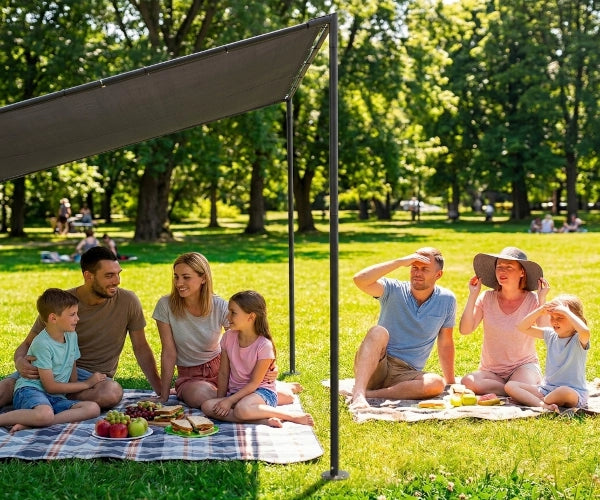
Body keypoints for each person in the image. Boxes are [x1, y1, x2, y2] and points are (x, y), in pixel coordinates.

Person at [0, 246, 161, 410]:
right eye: (109, 275)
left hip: (92, 378)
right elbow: (28, 343)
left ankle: (44, 397)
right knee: (3, 389)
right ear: (88, 276)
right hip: (50, 369)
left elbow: (141, 347)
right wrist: (19, 361)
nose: (117, 280)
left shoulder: (128, 301)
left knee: (111, 392)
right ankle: (50, 397)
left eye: (118, 273)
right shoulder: (62, 304)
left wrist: (160, 389)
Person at [153, 252, 300, 409]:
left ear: (203, 278)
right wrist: (164, 395)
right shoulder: (165, 305)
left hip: (224, 370)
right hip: (190, 377)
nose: (179, 282)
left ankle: (279, 389)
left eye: (186, 277)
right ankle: (248, 404)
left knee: (285, 397)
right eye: (176, 277)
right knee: (202, 397)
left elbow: (244, 339)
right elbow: (169, 352)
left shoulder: (219, 306)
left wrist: (270, 365)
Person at [350, 247, 457, 408]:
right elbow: (360, 279)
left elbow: (446, 342)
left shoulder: (447, 300)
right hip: (378, 363)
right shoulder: (393, 289)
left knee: (436, 383)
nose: (417, 273)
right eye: (414, 267)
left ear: (438, 275)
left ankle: (371, 395)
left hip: (407, 373)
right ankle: (358, 395)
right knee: (378, 331)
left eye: (424, 269)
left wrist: (450, 382)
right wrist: (400, 262)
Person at [201, 290, 314, 428]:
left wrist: (229, 401)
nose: (228, 316)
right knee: (207, 406)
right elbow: (223, 373)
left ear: (251, 317)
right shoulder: (227, 337)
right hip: (236, 393)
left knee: (242, 409)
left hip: (261, 393)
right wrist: (221, 400)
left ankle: (291, 416)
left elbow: (254, 384)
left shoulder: (264, 345)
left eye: (233, 312)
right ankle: (261, 421)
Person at [0, 289, 104, 433]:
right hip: (31, 391)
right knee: (45, 414)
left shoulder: (71, 335)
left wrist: (76, 385)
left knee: (93, 408)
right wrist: (87, 383)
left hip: (55, 397)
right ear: (53, 318)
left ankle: (33, 422)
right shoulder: (42, 344)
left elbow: (71, 367)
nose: (77, 319)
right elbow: (50, 387)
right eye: (72, 314)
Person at [459, 247, 550, 396]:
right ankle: (514, 390)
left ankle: (514, 388)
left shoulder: (532, 299)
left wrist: (542, 300)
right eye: (499, 267)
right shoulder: (486, 297)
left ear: (522, 272)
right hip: (491, 371)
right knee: (467, 381)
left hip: (523, 367)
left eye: (509, 267)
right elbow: (465, 330)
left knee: (520, 383)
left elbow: (545, 332)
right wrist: (473, 296)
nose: (502, 271)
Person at [505, 294, 590, 411]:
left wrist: (566, 312)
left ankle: (538, 400)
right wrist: (540, 311)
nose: (554, 321)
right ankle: (543, 405)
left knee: (563, 391)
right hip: (546, 389)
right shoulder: (550, 335)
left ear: (574, 319)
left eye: (560, 317)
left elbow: (585, 331)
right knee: (510, 386)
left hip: (573, 392)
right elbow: (522, 327)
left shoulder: (578, 339)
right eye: (552, 317)